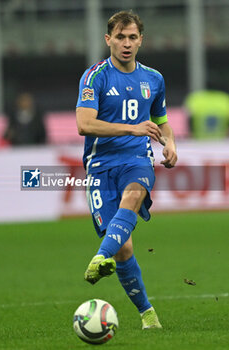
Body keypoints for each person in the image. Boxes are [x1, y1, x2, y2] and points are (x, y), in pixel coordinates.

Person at [76, 10, 177, 329]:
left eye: (133, 37)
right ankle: (147, 313)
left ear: (141, 40)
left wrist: (169, 144)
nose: (127, 43)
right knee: (124, 247)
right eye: (120, 37)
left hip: (137, 160)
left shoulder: (154, 78)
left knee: (135, 194)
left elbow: (161, 120)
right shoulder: (95, 77)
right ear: (108, 40)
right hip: (101, 165)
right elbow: (84, 124)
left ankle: (98, 257)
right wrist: (130, 128)